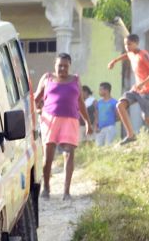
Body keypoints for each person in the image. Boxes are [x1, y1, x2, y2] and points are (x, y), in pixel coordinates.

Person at [33, 53, 92, 201]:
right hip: (50, 119)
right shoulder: (47, 78)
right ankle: (46, 188)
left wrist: (87, 122)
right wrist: (33, 113)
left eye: (65, 66)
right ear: (55, 65)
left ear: (69, 66)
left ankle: (66, 192)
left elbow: (80, 103)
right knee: (48, 156)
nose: (63, 68)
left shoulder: (76, 80)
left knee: (69, 153)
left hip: (70, 120)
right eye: (60, 65)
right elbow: (36, 99)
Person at [107, 34, 149, 151]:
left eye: (129, 44)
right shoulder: (131, 53)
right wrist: (114, 61)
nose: (127, 47)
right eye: (125, 44)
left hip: (148, 91)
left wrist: (143, 83)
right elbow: (126, 55)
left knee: (147, 118)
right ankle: (131, 135)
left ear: (136, 43)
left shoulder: (144, 55)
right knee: (120, 105)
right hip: (136, 89)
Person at [95, 82, 118, 146]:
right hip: (100, 129)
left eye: (100, 89)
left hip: (110, 128)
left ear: (106, 90)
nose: (99, 91)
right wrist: (96, 126)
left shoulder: (114, 102)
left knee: (108, 147)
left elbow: (119, 116)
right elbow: (97, 116)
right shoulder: (99, 102)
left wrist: (111, 121)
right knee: (98, 147)